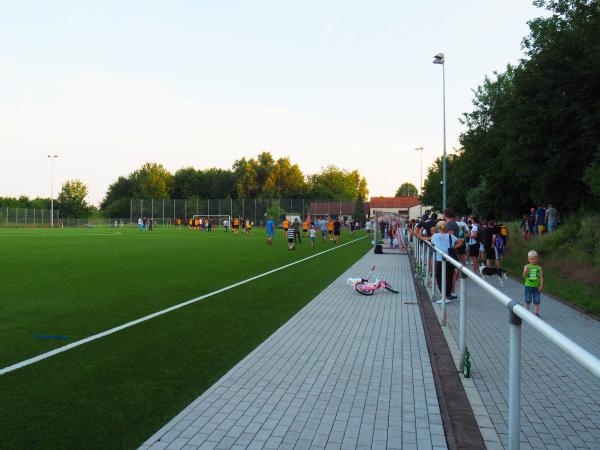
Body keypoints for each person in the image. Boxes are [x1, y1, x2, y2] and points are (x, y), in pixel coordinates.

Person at [430, 221, 462, 303]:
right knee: (449, 278)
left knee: (439, 277)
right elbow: (460, 242)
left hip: (440, 259)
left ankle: (444, 297)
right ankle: (447, 295)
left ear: (438, 228)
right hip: (450, 259)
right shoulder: (451, 236)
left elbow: (432, 243)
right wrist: (452, 247)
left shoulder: (435, 236)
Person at [523, 250, 544, 316]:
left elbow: (541, 277)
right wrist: (525, 271)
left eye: (534, 259)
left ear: (537, 259)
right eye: (531, 259)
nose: (533, 261)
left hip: (536, 287)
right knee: (528, 299)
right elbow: (524, 276)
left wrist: (541, 285)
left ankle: (536, 313)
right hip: (528, 286)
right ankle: (526, 313)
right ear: (528, 259)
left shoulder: (539, 268)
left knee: (537, 300)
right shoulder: (526, 266)